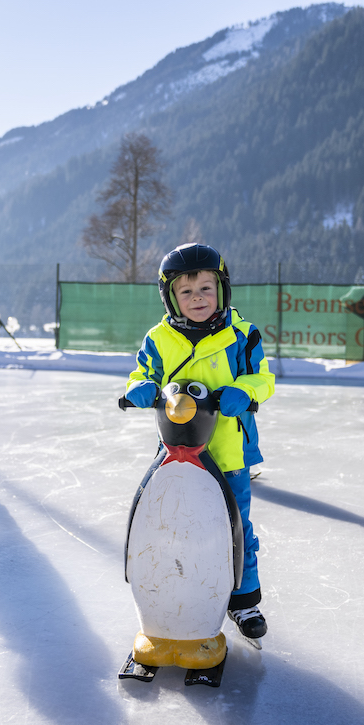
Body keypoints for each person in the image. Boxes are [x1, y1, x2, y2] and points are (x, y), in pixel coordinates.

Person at [124, 243, 275, 641]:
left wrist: (246, 390)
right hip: (175, 452)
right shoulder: (159, 337)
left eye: (206, 289)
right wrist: (139, 387)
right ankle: (177, 591)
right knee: (172, 523)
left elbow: (263, 377)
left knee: (235, 528)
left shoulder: (242, 335)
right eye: (186, 292)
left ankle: (244, 602)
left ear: (221, 290)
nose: (197, 299)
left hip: (228, 454)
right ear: (170, 296)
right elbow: (143, 373)